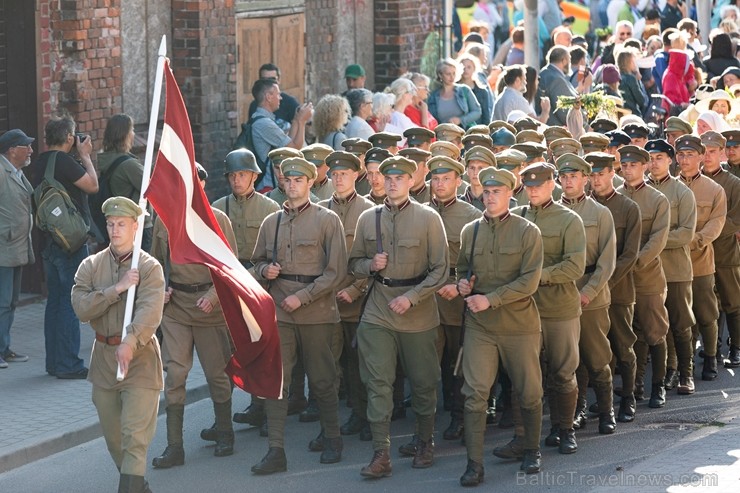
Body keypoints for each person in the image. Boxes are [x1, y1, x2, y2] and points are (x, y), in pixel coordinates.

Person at [349, 156, 448, 478]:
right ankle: (381, 452)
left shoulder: (428, 218)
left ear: (411, 180)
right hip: (378, 309)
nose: (392, 183)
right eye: (386, 177)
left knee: (423, 383)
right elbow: (354, 264)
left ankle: (424, 441)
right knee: (377, 382)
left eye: (399, 178)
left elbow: (440, 270)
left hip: (417, 312)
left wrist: (413, 297)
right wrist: (369, 266)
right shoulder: (368, 218)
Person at [250, 157, 348, 474]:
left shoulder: (327, 220)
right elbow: (255, 266)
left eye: (298, 180)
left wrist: (302, 297)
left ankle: (332, 438)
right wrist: (265, 269)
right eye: (287, 180)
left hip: (317, 311)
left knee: (323, 379)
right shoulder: (271, 222)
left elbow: (336, 273)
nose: (292, 185)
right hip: (280, 312)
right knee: (278, 380)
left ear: (310, 184)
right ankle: (276, 450)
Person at [71, 196, 165, 493]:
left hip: (140, 360)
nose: (114, 230)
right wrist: (117, 288)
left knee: (134, 436)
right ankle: (139, 486)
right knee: (115, 439)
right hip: (103, 361)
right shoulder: (91, 265)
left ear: (135, 227)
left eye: (121, 224)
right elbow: (81, 308)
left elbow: (151, 311)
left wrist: (131, 340)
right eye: (110, 224)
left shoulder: (149, 267)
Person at [457, 166, 544, 485]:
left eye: (497, 192)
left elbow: (529, 281)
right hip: (481, 325)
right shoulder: (471, 231)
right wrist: (464, 285)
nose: (490, 197)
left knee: (529, 391)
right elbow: (463, 270)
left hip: (519, 323)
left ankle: (532, 449)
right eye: (486, 191)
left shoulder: (527, 231)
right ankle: (474, 463)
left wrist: (489, 299)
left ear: (510, 193)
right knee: (475, 393)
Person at [149, 163, 238, 468]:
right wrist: (160, 290)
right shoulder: (164, 222)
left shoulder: (218, 220)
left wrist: (213, 297)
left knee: (217, 373)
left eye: (196, 183)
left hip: (209, 308)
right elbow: (155, 264)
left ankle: (225, 431)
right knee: (175, 374)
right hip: (176, 308)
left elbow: (230, 268)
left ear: (204, 186)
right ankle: (175, 447)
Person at [513, 162, 586, 455]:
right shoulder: (516, 218)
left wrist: (536, 277)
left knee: (562, 372)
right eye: (528, 186)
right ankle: (524, 437)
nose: (532, 190)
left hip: (559, 308)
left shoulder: (569, 220)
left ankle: (565, 429)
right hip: (523, 309)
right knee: (526, 374)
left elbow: (574, 265)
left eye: (538, 185)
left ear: (551, 184)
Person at [212, 150, 280, 433]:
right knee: (228, 352)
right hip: (227, 288)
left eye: (242, 174)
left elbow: (276, 254)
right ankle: (223, 420)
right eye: (232, 175)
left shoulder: (270, 209)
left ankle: (264, 410)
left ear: (254, 176)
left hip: (258, 285)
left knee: (261, 349)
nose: (237, 180)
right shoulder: (217, 208)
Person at [556, 154, 617, 436]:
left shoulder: (600, 213)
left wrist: (589, 292)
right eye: (564, 177)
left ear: (585, 178)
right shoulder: (552, 213)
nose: (568, 182)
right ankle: (577, 409)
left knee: (596, 355)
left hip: (592, 293)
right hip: (561, 292)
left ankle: (606, 410)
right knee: (570, 358)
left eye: (574, 176)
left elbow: (607, 261)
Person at [317, 151, 375, 442]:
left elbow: (375, 259)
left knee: (359, 362)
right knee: (329, 362)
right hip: (326, 302)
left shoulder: (368, 211)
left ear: (356, 175)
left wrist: (355, 290)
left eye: (344, 174)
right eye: (334, 174)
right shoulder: (319, 210)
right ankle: (335, 420)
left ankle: (365, 415)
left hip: (357, 302)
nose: (338, 179)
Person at [425, 156, 482, 442]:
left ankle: (460, 418)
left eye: (446, 178)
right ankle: (429, 420)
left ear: (458, 181)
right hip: (426, 298)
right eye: (435, 178)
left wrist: (458, 285)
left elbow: (476, 262)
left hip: (457, 297)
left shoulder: (471, 215)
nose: (439, 184)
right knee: (429, 362)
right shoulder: (421, 212)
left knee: (460, 361)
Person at [38, 115, 98, 379]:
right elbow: (93, 186)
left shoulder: (38, 162)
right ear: (70, 138)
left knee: (54, 301)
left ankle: (54, 362)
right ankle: (69, 364)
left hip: (47, 240)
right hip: (71, 243)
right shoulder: (65, 162)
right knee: (70, 302)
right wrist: (85, 156)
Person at [587, 151, 642, 422]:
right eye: (592, 174)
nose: (596, 180)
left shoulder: (628, 208)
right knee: (595, 349)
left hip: (618, 288)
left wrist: (605, 281)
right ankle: (601, 401)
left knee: (622, 345)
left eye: (601, 174)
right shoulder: (582, 207)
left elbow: (630, 253)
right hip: (588, 290)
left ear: (613, 173)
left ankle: (628, 397)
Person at [616, 145, 671, 408]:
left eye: (633, 165)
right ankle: (635, 385)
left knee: (653, 331)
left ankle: (657, 386)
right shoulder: (614, 198)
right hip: (621, 279)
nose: (627, 169)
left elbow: (658, 239)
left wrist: (635, 261)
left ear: (645, 166)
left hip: (647, 275)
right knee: (628, 334)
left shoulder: (657, 199)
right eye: (624, 165)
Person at [644, 139, 697, 396]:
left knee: (680, 323)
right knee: (654, 326)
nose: (654, 163)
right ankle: (665, 372)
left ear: (670, 160)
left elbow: (686, 233)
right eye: (650, 158)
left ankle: (686, 374)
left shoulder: (682, 192)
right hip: (648, 271)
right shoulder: (637, 191)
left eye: (659, 158)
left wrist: (655, 241)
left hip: (675, 268)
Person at [675, 135, 728, 381]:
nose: (684, 160)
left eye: (689, 155)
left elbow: (716, 224)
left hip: (701, 261)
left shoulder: (714, 189)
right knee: (679, 318)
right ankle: (676, 366)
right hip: (672, 263)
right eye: (681, 155)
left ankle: (710, 357)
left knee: (707, 314)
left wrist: (693, 240)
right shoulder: (667, 188)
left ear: (700, 156)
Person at [0, 129, 35, 368]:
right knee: (3, 302)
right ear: (12, 150)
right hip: (4, 247)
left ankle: (5, 348)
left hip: (17, 247)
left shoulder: (16, 172)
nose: (31, 150)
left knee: (11, 302)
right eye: (26, 146)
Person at [707, 130, 740, 368]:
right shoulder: (693, 179)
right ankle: (713, 347)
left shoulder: (733, 183)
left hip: (725, 250)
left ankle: (736, 347)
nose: (708, 156)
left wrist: (707, 232)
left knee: (732, 301)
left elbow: (736, 219)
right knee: (709, 302)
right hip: (700, 252)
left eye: (713, 152)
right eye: (704, 152)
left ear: (721, 153)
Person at [97, 114, 153, 251]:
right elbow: (153, 189)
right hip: (137, 227)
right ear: (125, 135)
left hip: (120, 224)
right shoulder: (128, 165)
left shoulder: (107, 158)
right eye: (132, 130)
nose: (133, 134)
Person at [250, 78, 313, 192]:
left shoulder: (261, 118)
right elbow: (294, 149)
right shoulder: (264, 124)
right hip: (268, 186)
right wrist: (302, 122)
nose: (281, 98)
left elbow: (287, 143)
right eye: (278, 94)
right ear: (269, 97)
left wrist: (296, 120)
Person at [538, 46, 592, 127]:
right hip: (558, 133)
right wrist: (587, 128)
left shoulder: (544, 73)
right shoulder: (557, 79)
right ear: (564, 61)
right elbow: (566, 113)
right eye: (569, 60)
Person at [428, 58, 482, 130]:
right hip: (443, 136)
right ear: (440, 75)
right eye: (448, 74)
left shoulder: (464, 90)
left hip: (464, 134)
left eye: (454, 73)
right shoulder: (433, 97)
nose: (452, 77)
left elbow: (477, 111)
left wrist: (460, 120)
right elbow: (432, 119)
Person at [247, 63, 301, 132]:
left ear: (279, 80)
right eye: (264, 80)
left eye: (272, 80)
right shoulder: (255, 105)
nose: (269, 84)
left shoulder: (290, 103)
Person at [457, 54, 491, 126]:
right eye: (463, 67)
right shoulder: (454, 89)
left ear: (474, 68)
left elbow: (486, 116)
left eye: (469, 67)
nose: (465, 70)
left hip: (476, 131)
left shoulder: (482, 91)